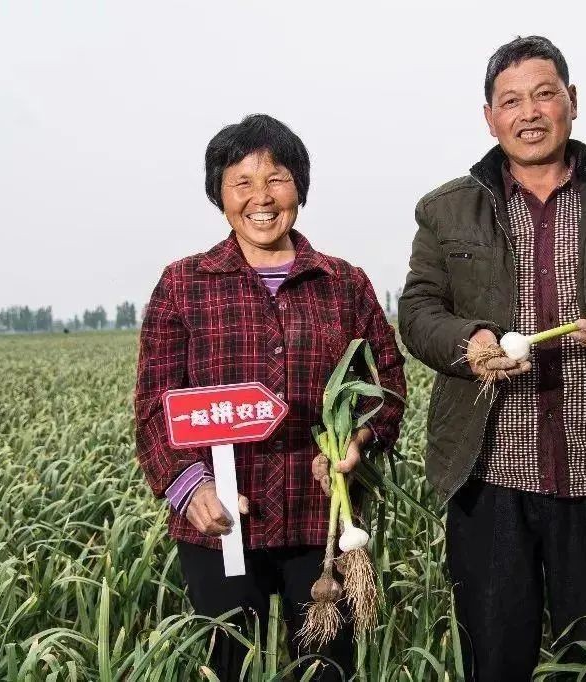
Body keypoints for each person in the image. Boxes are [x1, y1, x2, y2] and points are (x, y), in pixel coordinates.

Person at [399, 36, 586, 680]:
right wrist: (470, 343)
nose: (529, 113)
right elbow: (419, 311)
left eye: (544, 94)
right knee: (495, 657)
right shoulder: (447, 209)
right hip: (489, 475)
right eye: (511, 101)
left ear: (572, 101)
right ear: (489, 117)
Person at [134, 114, 406, 680]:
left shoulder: (343, 282)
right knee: (230, 662)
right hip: (222, 524)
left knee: (327, 668)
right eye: (242, 183)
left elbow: (386, 386)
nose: (261, 198)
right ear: (220, 195)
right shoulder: (184, 284)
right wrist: (190, 487)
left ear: (299, 189)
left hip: (323, 520)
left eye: (277, 179)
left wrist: (358, 440)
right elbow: (154, 403)